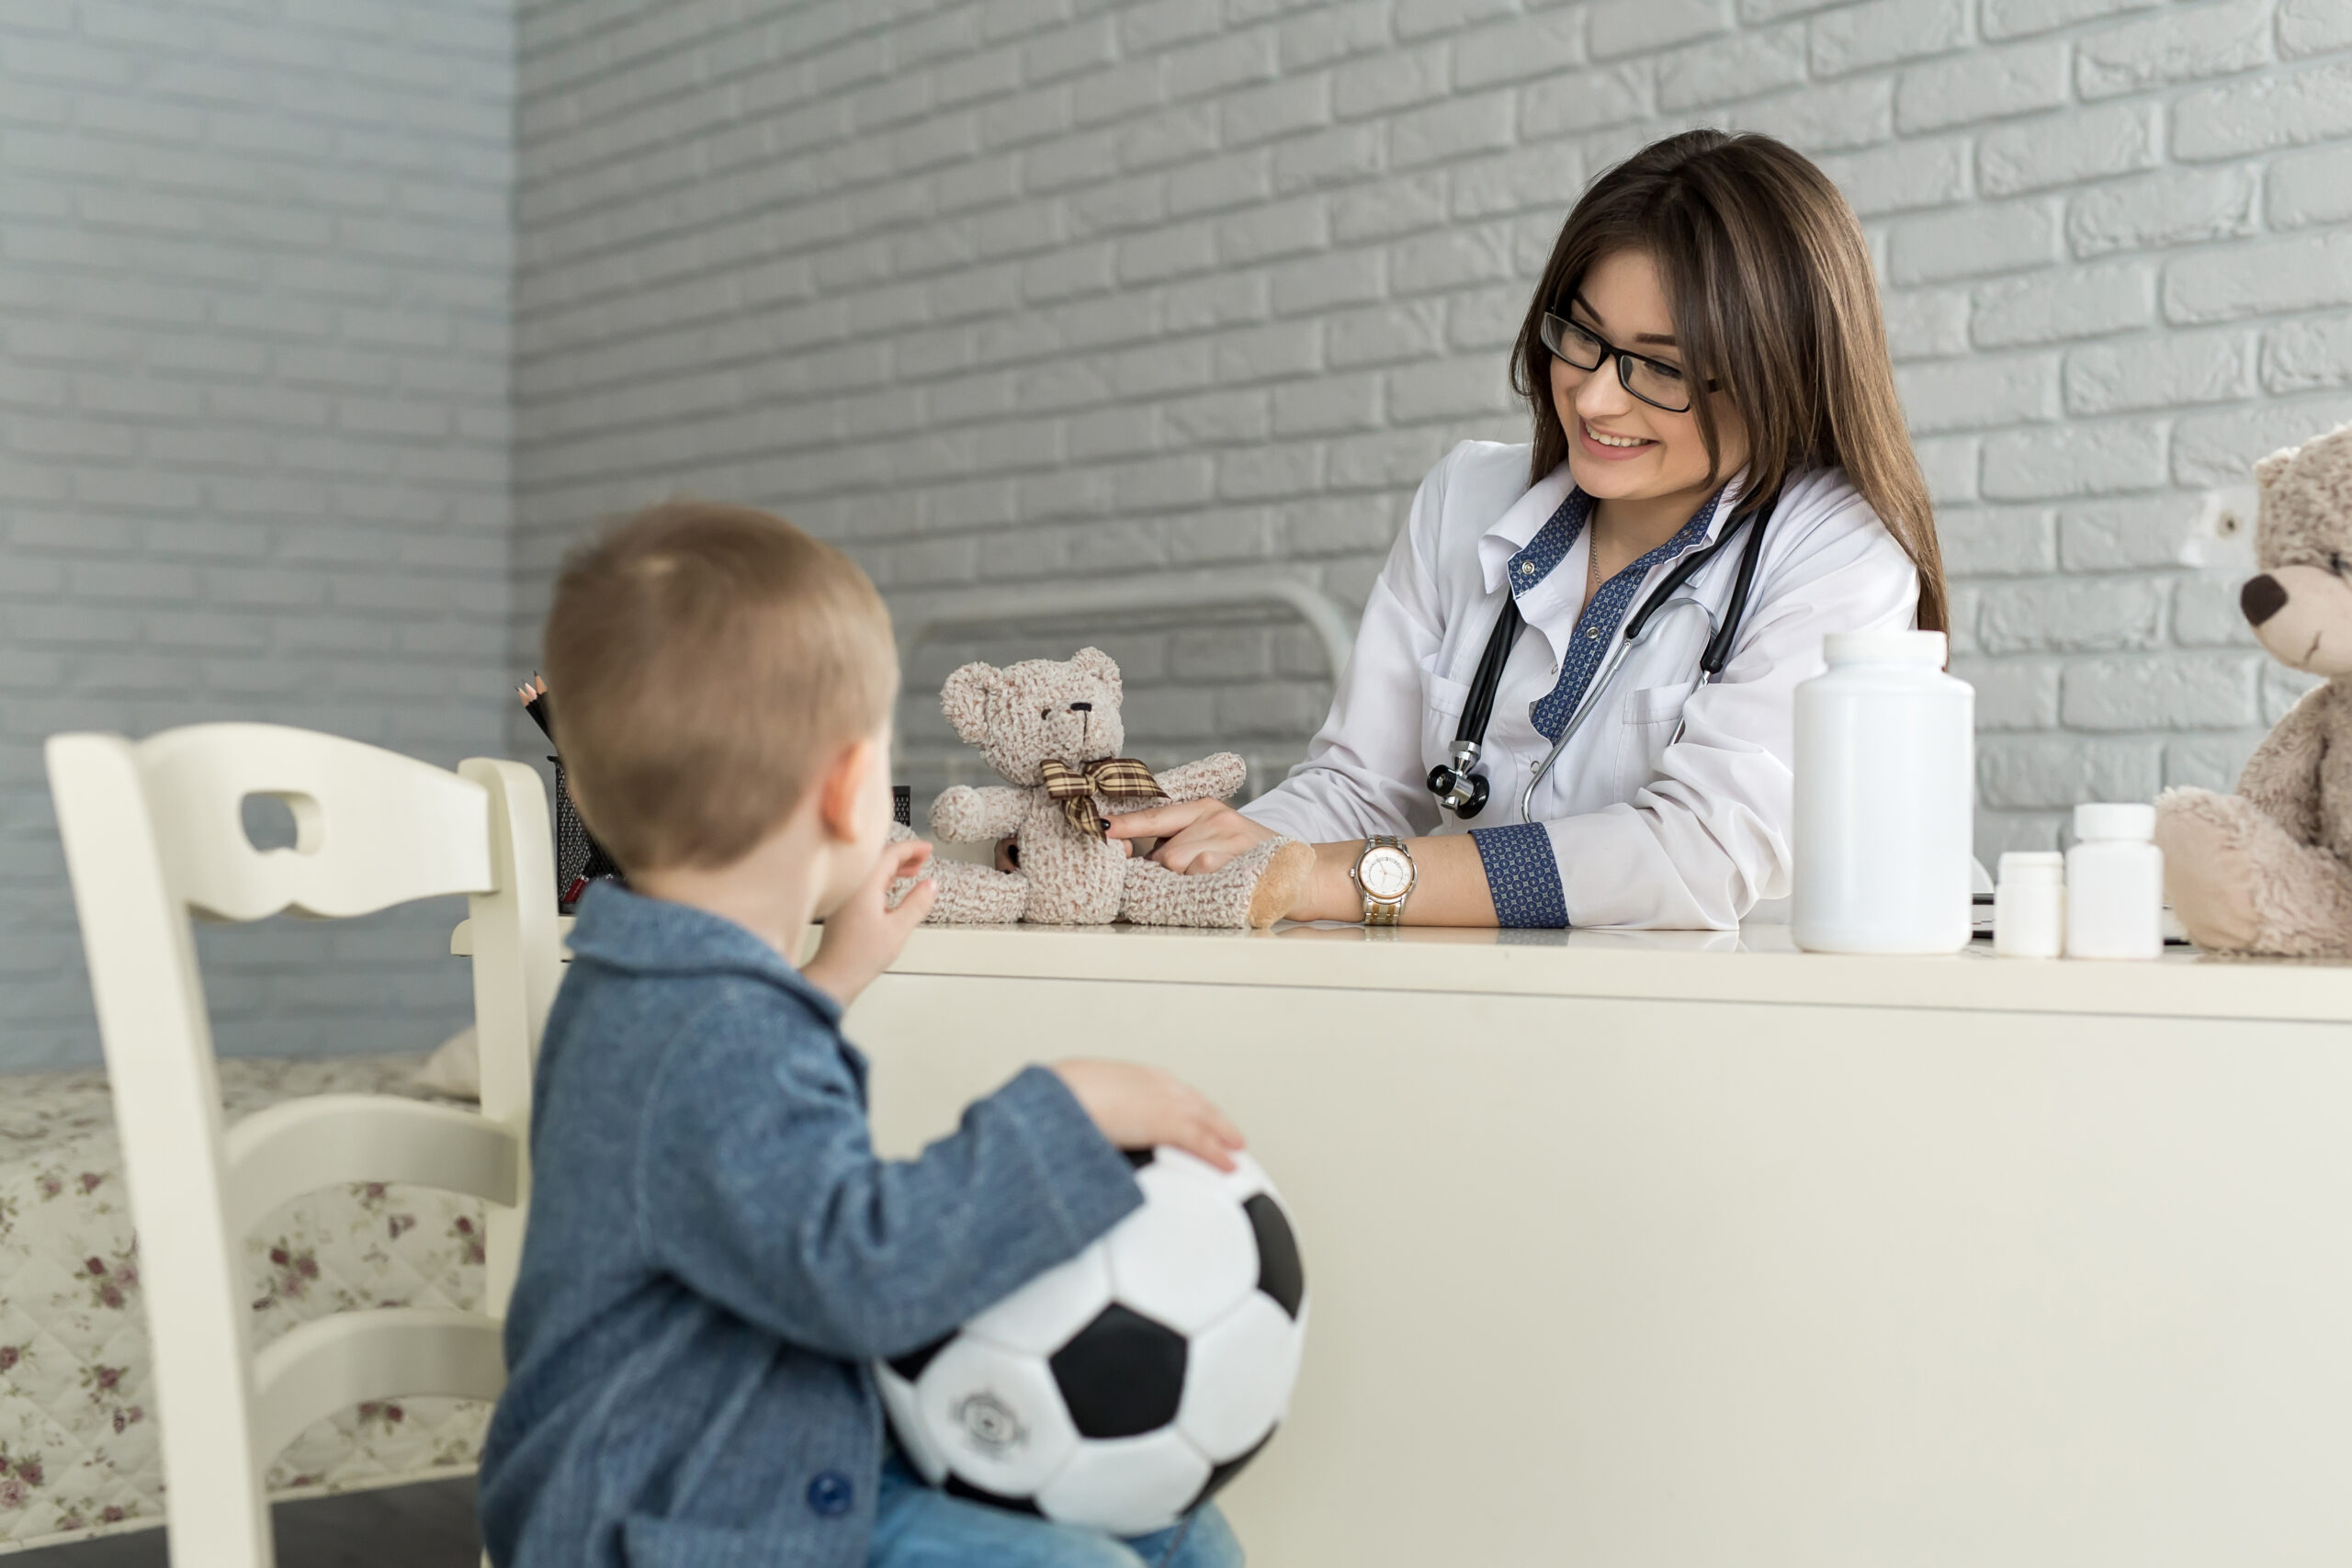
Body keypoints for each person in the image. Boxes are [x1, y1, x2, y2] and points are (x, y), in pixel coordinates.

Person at [479, 502, 1248, 1568]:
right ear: (851, 790)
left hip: (720, 1455)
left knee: (1176, 1532)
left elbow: (726, 1142)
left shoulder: (651, 982)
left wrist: (833, 974)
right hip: (677, 1518)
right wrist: (1058, 1115)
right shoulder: (707, 1033)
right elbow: (863, 1272)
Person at [1107, 130, 1951, 931]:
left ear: (1782, 373)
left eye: (1660, 367)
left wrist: (1337, 877)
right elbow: (1358, 789)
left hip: (1729, 1021)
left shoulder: (1838, 550)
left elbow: (1695, 850)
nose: (1593, 398)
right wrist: (1195, 861)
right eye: (1581, 336)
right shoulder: (1467, 495)